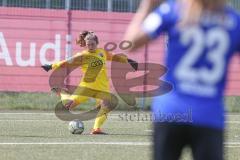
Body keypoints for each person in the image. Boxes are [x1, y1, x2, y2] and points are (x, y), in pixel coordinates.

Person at [124, 0, 240, 159]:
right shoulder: (234, 21)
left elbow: (130, 43)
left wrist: (147, 6)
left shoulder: (173, 11)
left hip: (171, 110)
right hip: (209, 114)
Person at [42, 31, 138, 134]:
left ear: (97, 43)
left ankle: (96, 129)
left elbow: (116, 57)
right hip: (87, 87)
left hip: (102, 87)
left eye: (92, 44)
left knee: (106, 105)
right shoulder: (82, 55)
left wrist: (129, 61)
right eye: (88, 45)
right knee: (67, 107)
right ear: (85, 44)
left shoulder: (102, 52)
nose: (90, 47)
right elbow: (66, 62)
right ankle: (62, 93)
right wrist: (52, 66)